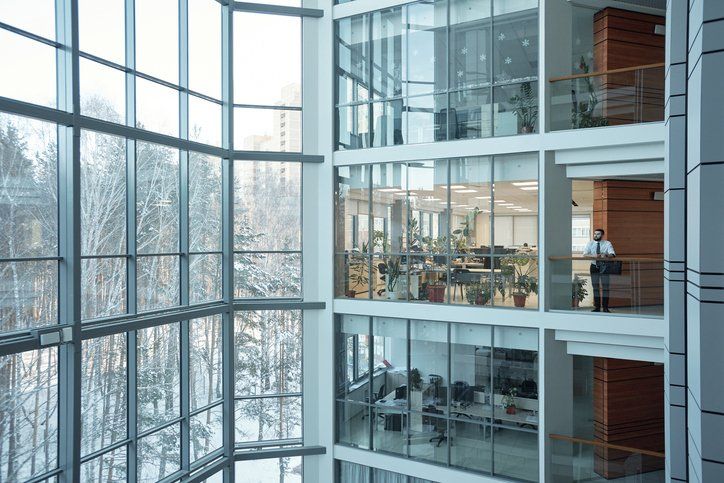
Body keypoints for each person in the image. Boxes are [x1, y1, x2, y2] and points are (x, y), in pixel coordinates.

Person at [583, 228, 616, 312]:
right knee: (595, 287)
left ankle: (605, 307)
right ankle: (597, 307)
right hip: (594, 267)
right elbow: (585, 254)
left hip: (604, 267)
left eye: (598, 234)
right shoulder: (590, 243)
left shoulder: (607, 243)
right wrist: (594, 256)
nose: (595, 235)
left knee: (605, 287)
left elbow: (612, 254)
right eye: (595, 234)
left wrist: (605, 255)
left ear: (602, 235)